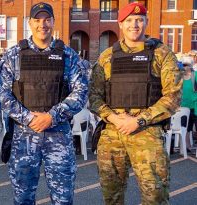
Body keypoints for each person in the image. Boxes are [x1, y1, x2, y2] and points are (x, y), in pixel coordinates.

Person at [89, 2, 182, 204]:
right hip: (113, 133)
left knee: (155, 196)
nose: (135, 24)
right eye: (129, 20)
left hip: (147, 133)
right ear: (120, 24)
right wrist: (113, 117)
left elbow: (173, 97)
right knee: (112, 197)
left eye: (139, 20)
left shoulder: (161, 54)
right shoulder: (107, 57)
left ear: (146, 22)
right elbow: (94, 96)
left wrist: (139, 121)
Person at [0, 2, 88, 204]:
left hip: (59, 136)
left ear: (53, 22)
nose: (42, 24)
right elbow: (1, 93)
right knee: (23, 198)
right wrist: (28, 118)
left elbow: (81, 91)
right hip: (24, 137)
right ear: (30, 23)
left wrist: (51, 117)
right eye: (37, 20)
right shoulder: (14, 55)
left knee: (63, 198)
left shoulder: (68, 56)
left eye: (47, 19)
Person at [180, 56, 197, 150]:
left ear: (191, 65)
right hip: (183, 107)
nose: (185, 67)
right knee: (186, 127)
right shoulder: (179, 76)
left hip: (194, 106)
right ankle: (187, 146)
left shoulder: (195, 75)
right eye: (183, 65)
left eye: (187, 65)